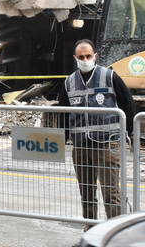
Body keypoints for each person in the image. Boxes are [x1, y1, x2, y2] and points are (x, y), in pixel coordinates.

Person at [55, 39, 137, 220]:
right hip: (81, 146)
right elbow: (63, 115)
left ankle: (114, 234)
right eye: (81, 57)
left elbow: (128, 105)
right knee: (86, 194)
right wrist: (60, 141)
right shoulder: (69, 82)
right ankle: (90, 229)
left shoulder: (109, 76)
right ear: (75, 58)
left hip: (107, 144)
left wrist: (129, 133)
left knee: (111, 193)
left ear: (95, 56)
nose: (85, 60)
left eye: (88, 56)